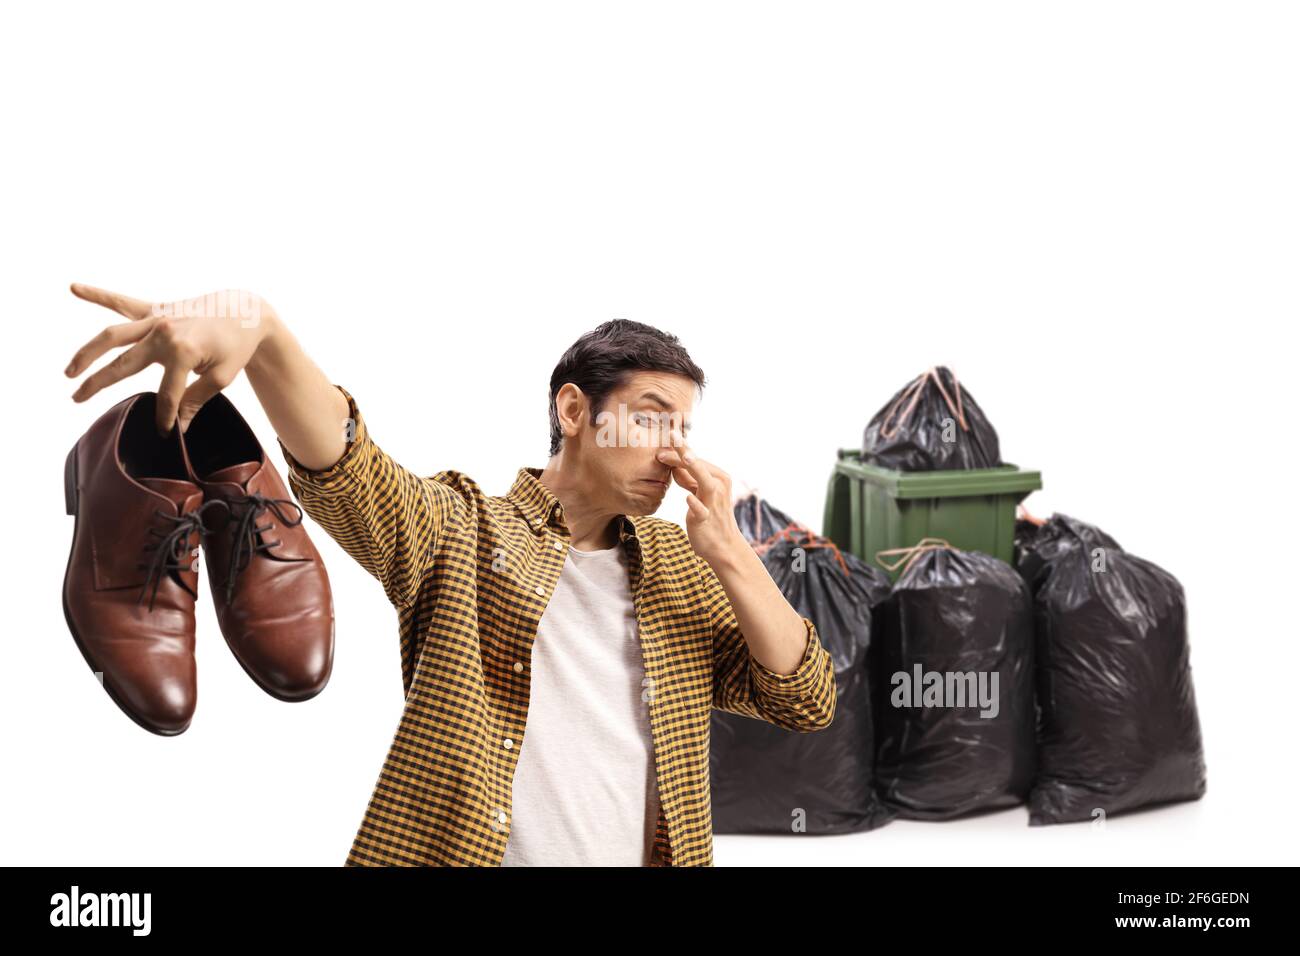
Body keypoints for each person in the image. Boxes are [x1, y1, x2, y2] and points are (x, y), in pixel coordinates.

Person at [63, 283, 837, 866]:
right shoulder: (467, 530)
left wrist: (731, 550)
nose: (674, 450)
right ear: (574, 411)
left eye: (685, 427)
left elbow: (805, 698)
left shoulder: (678, 564)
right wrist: (262, 331)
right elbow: (350, 471)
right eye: (650, 415)